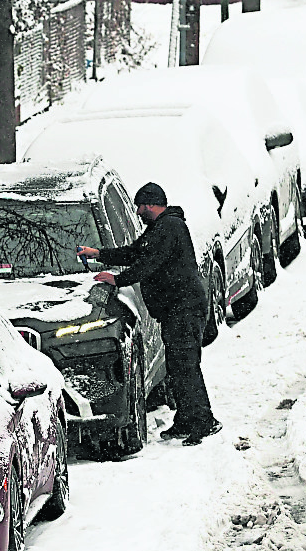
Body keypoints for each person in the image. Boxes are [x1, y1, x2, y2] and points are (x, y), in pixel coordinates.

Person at [76, 182, 222, 446]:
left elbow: (147, 264)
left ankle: (204, 421)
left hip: (185, 308)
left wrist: (117, 280)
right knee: (177, 366)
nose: (139, 212)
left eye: (141, 207)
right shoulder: (159, 228)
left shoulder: (170, 228)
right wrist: (98, 254)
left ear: (152, 204)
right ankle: (187, 419)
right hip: (175, 310)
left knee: (186, 365)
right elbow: (134, 252)